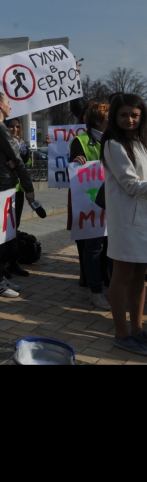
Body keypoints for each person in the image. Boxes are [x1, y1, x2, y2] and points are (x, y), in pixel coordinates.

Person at [100, 93, 147, 355]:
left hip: (142, 219)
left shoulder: (138, 142)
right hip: (126, 222)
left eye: (135, 115)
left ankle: (138, 330)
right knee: (122, 276)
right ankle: (121, 333)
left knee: (140, 277)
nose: (130, 119)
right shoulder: (113, 145)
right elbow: (130, 184)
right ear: (115, 117)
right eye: (124, 115)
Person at [0, 92, 36, 298]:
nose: (11, 107)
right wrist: (29, 189)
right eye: (9, 103)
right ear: (0, 105)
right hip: (2, 185)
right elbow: (18, 159)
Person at [69, 101, 111, 310]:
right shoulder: (81, 140)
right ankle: (95, 291)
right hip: (92, 204)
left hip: (113, 201)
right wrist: (76, 160)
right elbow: (73, 168)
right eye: (108, 115)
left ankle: (108, 283)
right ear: (97, 120)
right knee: (94, 247)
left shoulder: (115, 139)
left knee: (110, 247)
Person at [3, 118, 31, 277]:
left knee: (14, 226)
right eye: (12, 127)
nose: (15, 129)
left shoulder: (22, 145)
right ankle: (3, 262)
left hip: (18, 190)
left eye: (17, 127)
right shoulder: (3, 142)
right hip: (5, 188)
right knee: (4, 227)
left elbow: (24, 164)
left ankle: (13, 262)